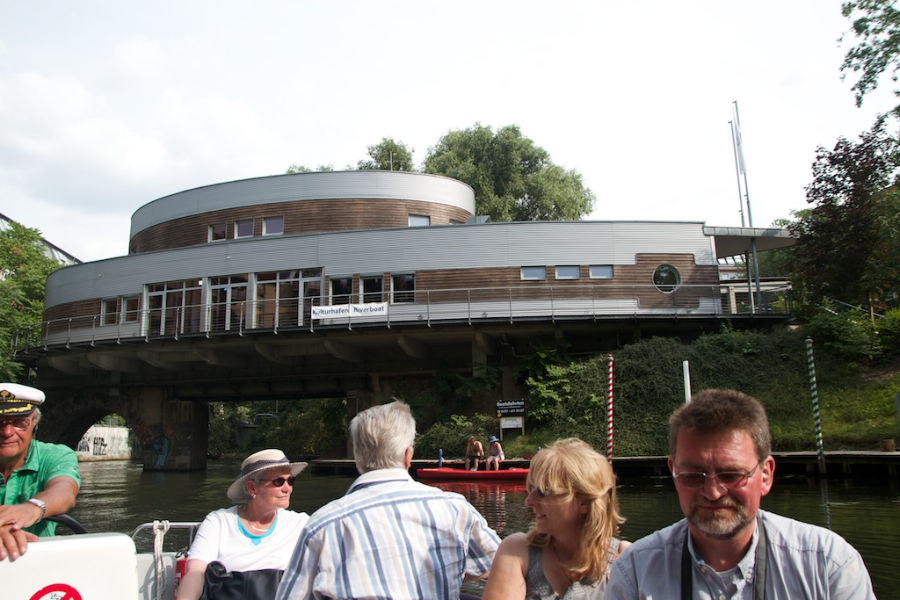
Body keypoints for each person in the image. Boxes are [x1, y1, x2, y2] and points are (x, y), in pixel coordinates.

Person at [606, 389, 876, 599]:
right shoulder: (636, 573)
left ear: (766, 475)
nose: (713, 492)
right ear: (674, 473)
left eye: (731, 475)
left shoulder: (827, 565)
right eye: (692, 475)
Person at [276, 400, 501, 600]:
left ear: (357, 458)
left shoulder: (322, 525)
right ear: (408, 455)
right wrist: (447, 570)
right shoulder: (455, 509)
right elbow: (499, 563)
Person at [483, 438, 629, 600]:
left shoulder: (627, 559)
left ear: (584, 502)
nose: (529, 501)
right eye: (532, 488)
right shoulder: (517, 551)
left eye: (544, 491)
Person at [177, 449, 309, 600]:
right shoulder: (218, 522)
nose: (287, 488)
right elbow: (196, 573)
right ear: (252, 487)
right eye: (278, 482)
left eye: (290, 481)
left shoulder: (300, 524)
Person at [0, 383, 80, 563]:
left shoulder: (55, 456)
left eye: (19, 423)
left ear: (34, 426)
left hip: (41, 567)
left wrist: (32, 508)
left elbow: (64, 490)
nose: (7, 432)